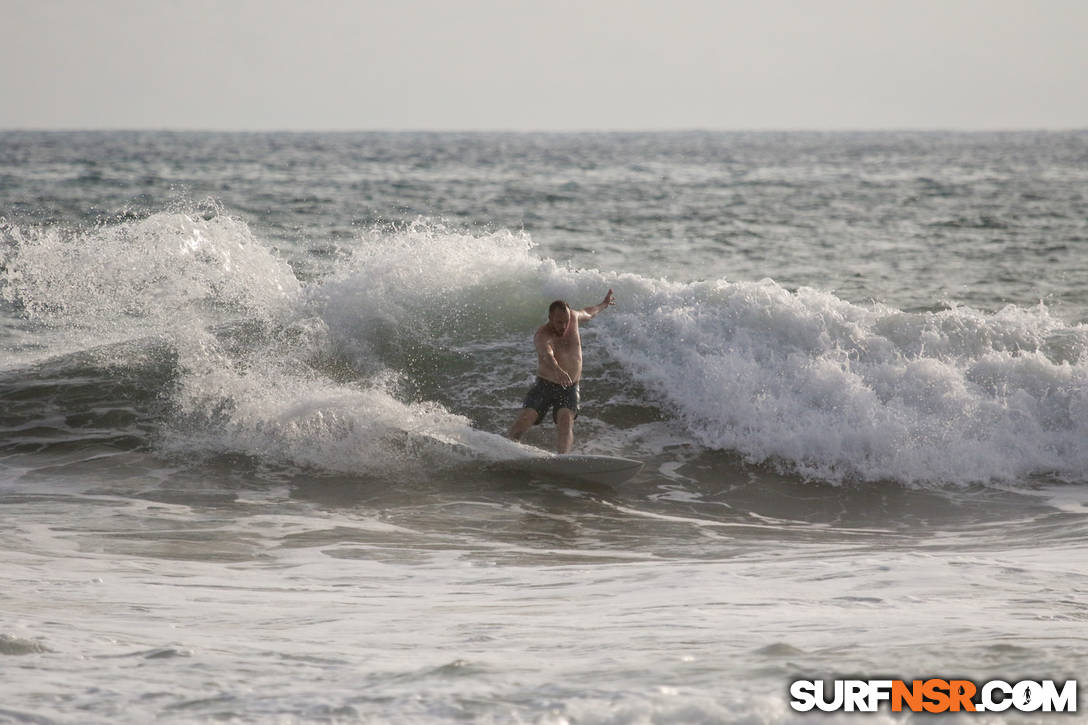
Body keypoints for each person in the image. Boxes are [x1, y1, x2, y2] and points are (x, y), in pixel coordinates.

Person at [507, 289, 615, 453]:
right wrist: (557, 370)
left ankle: (563, 460)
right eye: (559, 322)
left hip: (569, 387)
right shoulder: (542, 335)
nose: (563, 326)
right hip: (545, 385)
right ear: (550, 318)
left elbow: (588, 313)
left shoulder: (573, 318)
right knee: (525, 419)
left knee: (566, 421)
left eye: (566, 321)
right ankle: (505, 449)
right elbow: (547, 354)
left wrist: (604, 304)